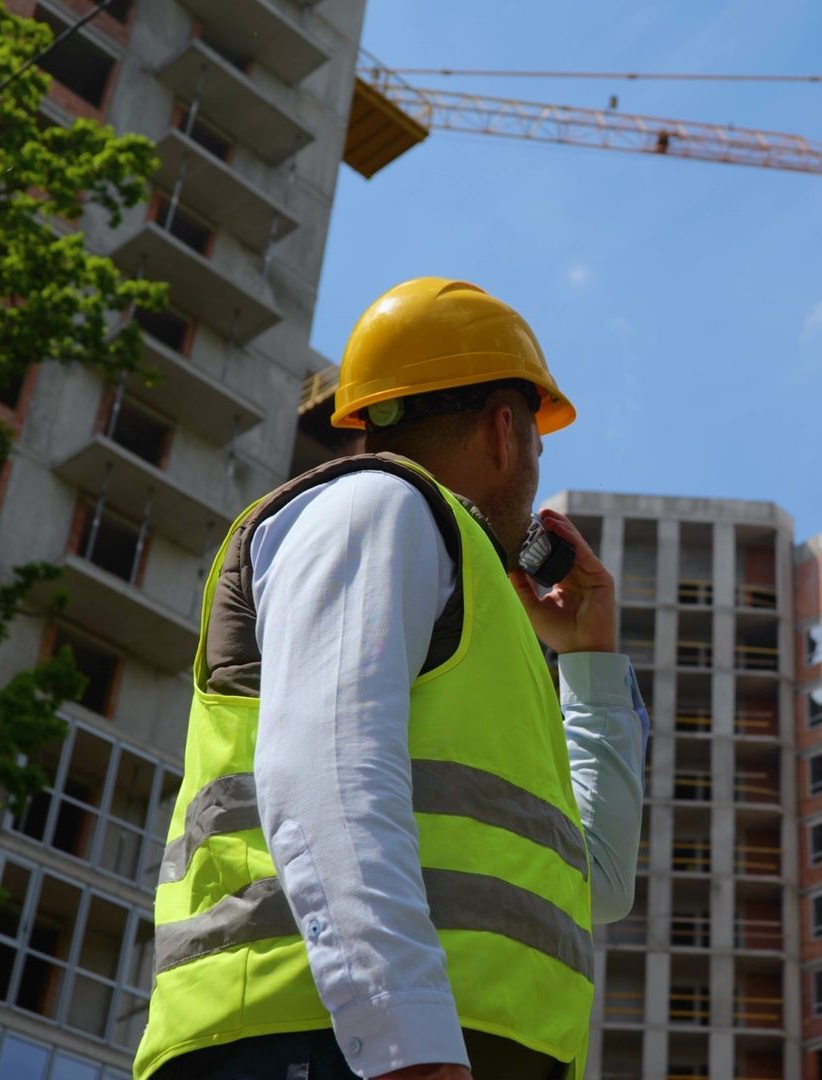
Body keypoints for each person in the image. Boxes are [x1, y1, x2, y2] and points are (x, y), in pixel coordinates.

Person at [133, 278, 647, 1080]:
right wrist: (406, 1041)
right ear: (505, 429)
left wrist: (590, 663)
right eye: (540, 443)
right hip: (327, 1047)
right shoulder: (377, 507)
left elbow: (598, 887)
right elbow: (325, 768)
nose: (536, 465)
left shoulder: (484, 609)